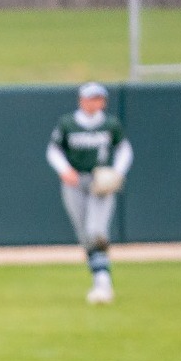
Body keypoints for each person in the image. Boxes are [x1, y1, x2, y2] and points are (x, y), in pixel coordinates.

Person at [47, 81, 132, 305]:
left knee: (96, 230)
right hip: (75, 182)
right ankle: (101, 280)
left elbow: (124, 149)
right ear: (81, 100)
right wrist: (64, 170)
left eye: (99, 98)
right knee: (84, 234)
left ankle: (103, 283)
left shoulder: (110, 124)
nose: (95, 102)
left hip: (99, 181)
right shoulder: (68, 123)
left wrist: (117, 172)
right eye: (91, 98)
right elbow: (53, 150)